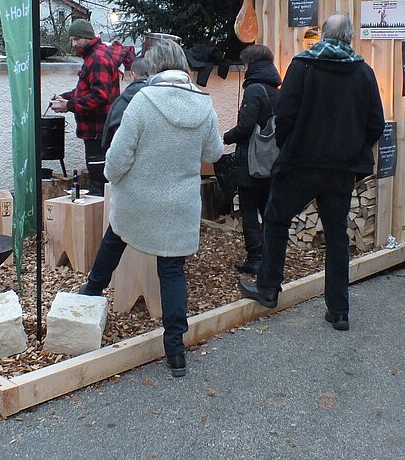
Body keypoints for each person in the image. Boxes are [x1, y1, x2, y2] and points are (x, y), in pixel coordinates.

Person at [238, 13, 385, 331]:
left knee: (276, 219)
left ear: (323, 37)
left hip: (300, 164)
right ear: (349, 38)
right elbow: (375, 123)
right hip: (341, 169)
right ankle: (339, 310)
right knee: (337, 237)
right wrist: (353, 148)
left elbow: (285, 114)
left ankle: (268, 289)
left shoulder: (303, 66)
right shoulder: (363, 72)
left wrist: (287, 145)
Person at [87, 39, 223, 377]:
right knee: (172, 272)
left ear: (155, 67)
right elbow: (214, 154)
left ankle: (88, 297)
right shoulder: (203, 105)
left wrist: (113, 179)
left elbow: (117, 160)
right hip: (180, 206)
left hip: (138, 200)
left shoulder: (142, 102)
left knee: (115, 237)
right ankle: (175, 351)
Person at [75, 57, 149, 297]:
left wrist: (113, 175)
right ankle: (175, 331)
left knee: (116, 234)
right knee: (170, 265)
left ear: (132, 75)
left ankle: (93, 289)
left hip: (129, 182)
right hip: (163, 192)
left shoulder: (130, 101)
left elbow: (117, 149)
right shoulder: (164, 101)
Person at [50, 19, 128, 196]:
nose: (74, 44)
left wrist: (68, 105)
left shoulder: (98, 59)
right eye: (72, 39)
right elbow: (86, 89)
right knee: (99, 180)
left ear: (87, 37)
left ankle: (99, 221)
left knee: (99, 182)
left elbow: (100, 96)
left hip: (99, 131)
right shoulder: (94, 56)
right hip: (97, 131)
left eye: (77, 39)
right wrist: (66, 97)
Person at [222, 44, 281, 275]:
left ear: (252, 65)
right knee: (268, 210)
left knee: (248, 210)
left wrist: (225, 138)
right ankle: (270, 258)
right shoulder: (277, 89)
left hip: (252, 162)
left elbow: (246, 126)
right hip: (271, 162)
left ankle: (255, 258)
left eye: (245, 64)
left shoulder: (254, 90)